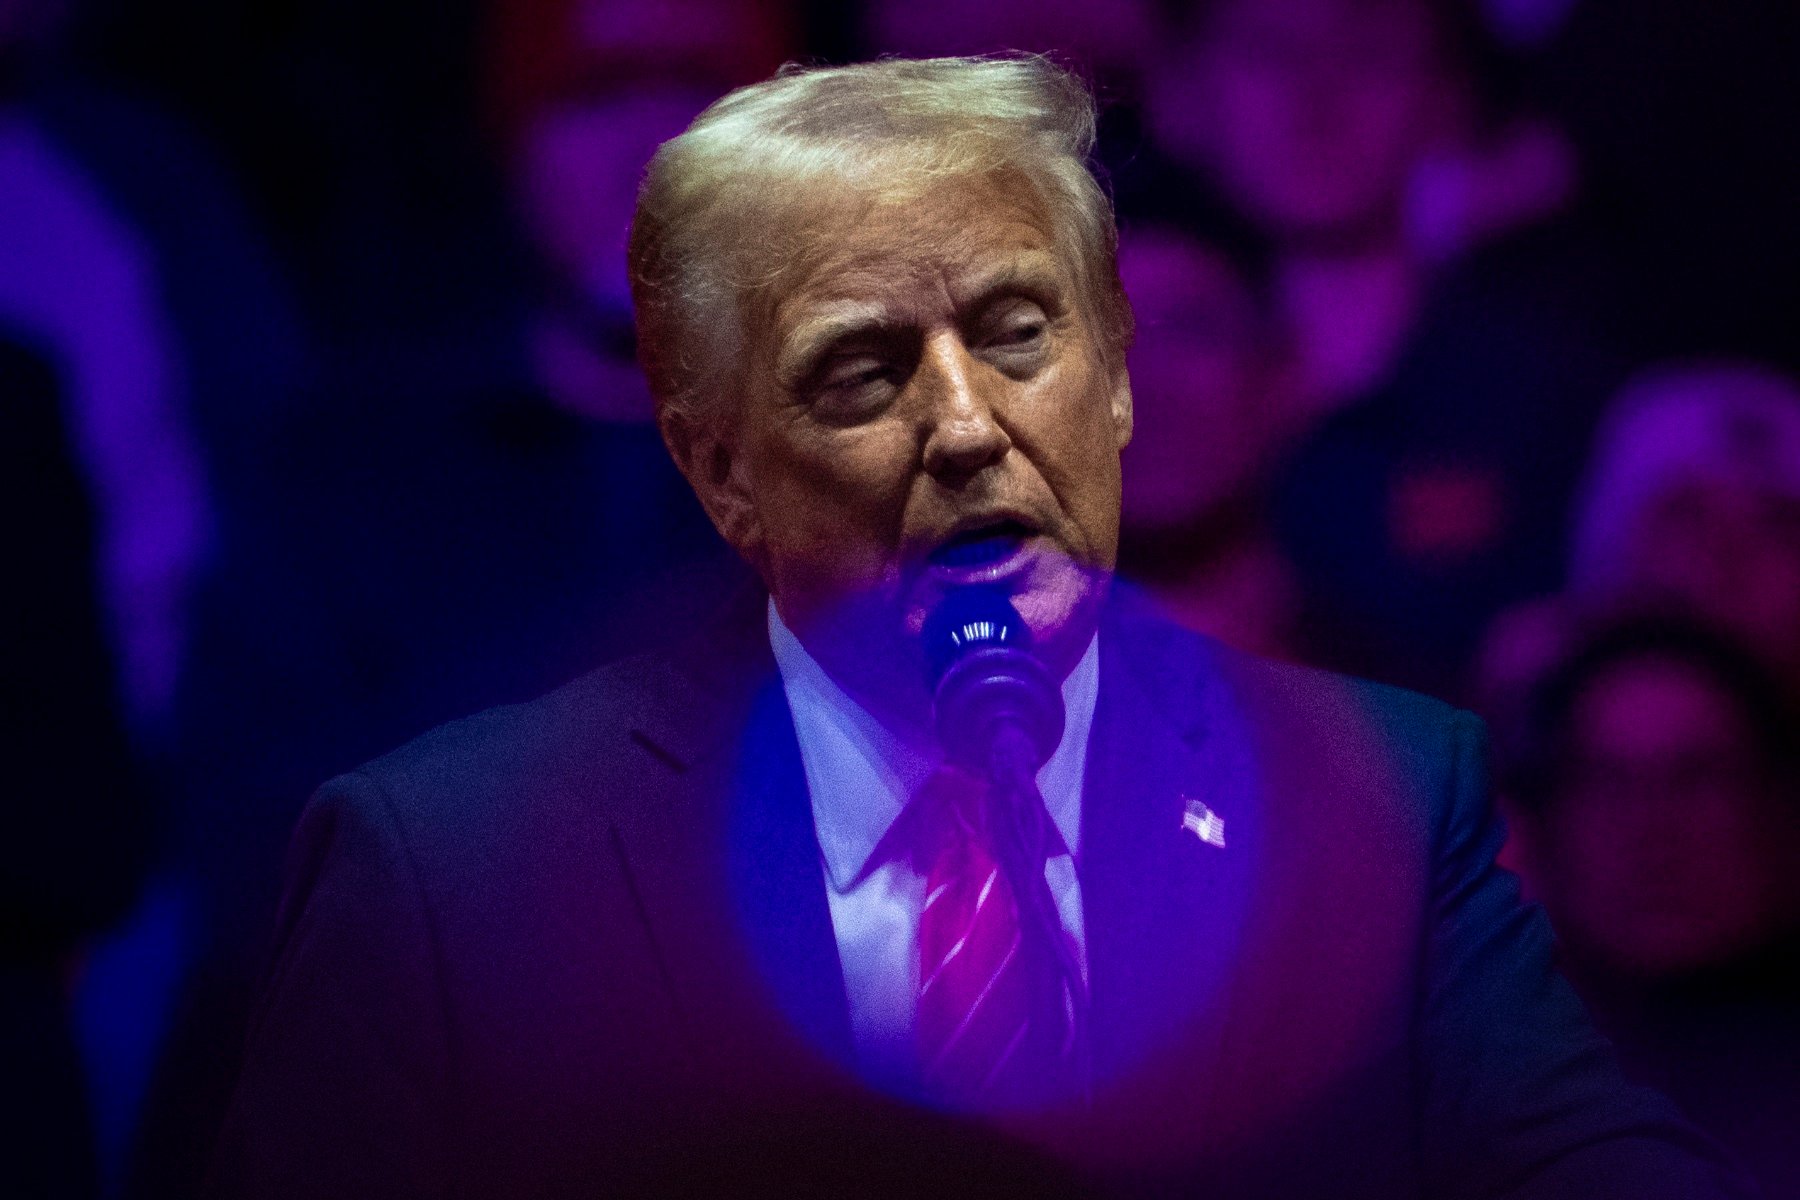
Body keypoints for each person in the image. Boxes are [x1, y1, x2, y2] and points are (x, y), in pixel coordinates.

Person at [209, 57, 1746, 1197]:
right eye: (863, 372)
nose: (967, 428)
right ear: (723, 467)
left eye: (1023, 341)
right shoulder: (458, 867)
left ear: (1124, 385)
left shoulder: (1382, 802)